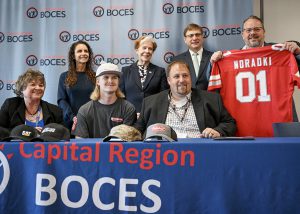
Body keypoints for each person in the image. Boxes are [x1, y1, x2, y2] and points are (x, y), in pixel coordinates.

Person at [208, 15, 300, 136]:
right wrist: (213, 63)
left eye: (257, 29)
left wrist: (298, 52)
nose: (253, 33)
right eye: (248, 30)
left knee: (284, 153)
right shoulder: (225, 59)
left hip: (279, 121)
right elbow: (211, 91)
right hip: (242, 123)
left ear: (264, 32)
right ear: (242, 34)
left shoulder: (282, 52)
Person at [134, 61, 236, 138]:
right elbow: (137, 130)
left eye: (185, 75)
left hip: (201, 151)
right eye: (176, 76)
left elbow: (230, 123)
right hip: (165, 154)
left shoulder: (211, 99)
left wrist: (218, 131)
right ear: (169, 80)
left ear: (190, 77)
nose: (181, 80)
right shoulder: (150, 102)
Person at [73, 62, 137, 138]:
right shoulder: (84, 110)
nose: (110, 81)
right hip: (93, 150)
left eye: (114, 77)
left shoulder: (128, 109)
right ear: (98, 82)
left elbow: (127, 141)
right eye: (106, 77)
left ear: (118, 81)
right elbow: (80, 144)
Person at [120, 36, 169, 114]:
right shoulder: (125, 71)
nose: (147, 51)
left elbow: (164, 97)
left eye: (150, 49)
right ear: (137, 50)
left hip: (152, 115)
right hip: (130, 115)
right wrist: (129, 113)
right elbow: (121, 96)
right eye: (144, 48)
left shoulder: (160, 71)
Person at [57, 40, 96, 132]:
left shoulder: (96, 76)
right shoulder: (64, 76)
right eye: (79, 51)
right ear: (73, 56)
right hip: (70, 122)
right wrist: (73, 117)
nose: (83, 53)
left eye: (86, 51)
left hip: (92, 122)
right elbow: (61, 100)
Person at [172, 23, 213, 90]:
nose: (194, 38)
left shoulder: (213, 57)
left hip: (209, 98)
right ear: (185, 39)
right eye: (191, 35)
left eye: (197, 35)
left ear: (202, 37)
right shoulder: (177, 60)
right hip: (186, 98)